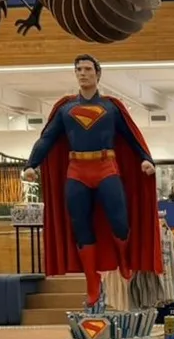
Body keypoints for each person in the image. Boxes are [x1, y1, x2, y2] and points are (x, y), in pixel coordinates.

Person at [26, 54, 161, 307]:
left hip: (106, 168)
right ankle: (92, 280)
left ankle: (123, 258)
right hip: (77, 171)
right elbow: (47, 138)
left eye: (88, 69)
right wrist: (31, 163)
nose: (83, 73)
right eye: (79, 69)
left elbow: (131, 136)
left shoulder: (111, 107)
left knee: (120, 222)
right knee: (81, 227)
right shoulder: (65, 109)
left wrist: (145, 158)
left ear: (97, 74)